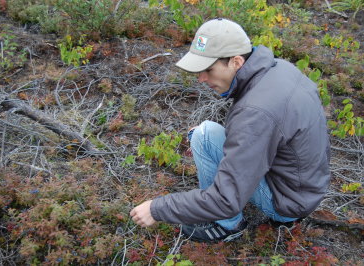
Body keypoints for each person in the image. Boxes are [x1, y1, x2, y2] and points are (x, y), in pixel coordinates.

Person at [130, 18, 330, 242]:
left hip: (288, 203)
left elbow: (225, 200)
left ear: (236, 61)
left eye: (208, 69)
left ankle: (227, 227)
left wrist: (157, 208)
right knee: (206, 135)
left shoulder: (255, 112)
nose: (201, 78)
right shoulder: (280, 69)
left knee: (204, 136)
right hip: (305, 186)